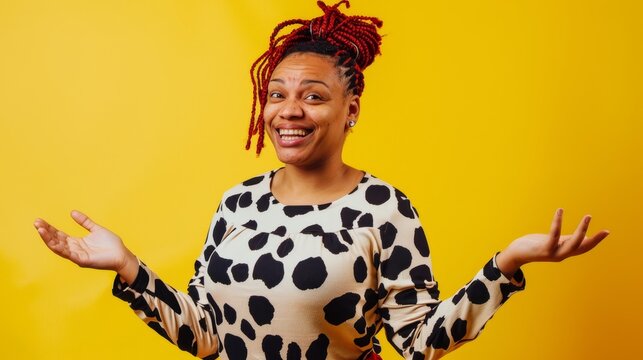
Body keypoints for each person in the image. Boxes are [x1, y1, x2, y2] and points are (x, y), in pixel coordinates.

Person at [33, 1, 609, 359]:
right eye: (277, 95)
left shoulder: (383, 208)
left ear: (350, 110)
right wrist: (128, 268)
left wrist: (506, 265)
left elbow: (419, 344)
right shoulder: (239, 202)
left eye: (313, 96)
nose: (289, 111)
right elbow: (206, 336)